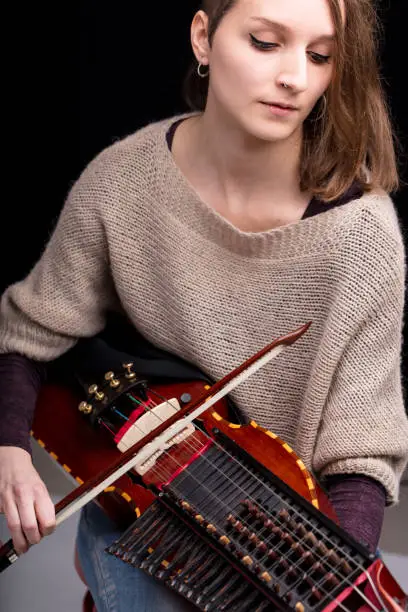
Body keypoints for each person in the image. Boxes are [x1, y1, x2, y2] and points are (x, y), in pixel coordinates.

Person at [1, 0, 408, 609]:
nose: (296, 77)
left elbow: (361, 450)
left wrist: (327, 579)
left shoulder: (364, 237)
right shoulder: (123, 180)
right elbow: (28, 336)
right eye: (265, 42)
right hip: (141, 513)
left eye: (320, 55)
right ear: (204, 37)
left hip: (288, 539)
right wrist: (8, 449)